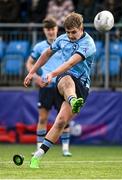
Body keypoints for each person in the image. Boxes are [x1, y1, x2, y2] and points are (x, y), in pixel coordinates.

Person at [24, 12, 96, 168]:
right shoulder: (62, 38)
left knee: (61, 122)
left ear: (81, 27)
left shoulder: (88, 44)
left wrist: (51, 73)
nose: (70, 35)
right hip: (64, 79)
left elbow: (70, 63)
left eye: (73, 32)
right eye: (68, 32)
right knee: (67, 78)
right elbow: (46, 54)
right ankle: (72, 100)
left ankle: (38, 155)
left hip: (82, 85)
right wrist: (31, 72)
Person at [26, 16, 72, 157]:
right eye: (48, 29)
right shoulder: (39, 47)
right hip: (45, 86)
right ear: (44, 31)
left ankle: (65, 149)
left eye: (52, 29)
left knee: (65, 119)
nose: (51, 32)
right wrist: (36, 77)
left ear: (57, 29)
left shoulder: (65, 43)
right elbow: (29, 64)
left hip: (61, 85)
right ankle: (39, 148)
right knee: (42, 119)